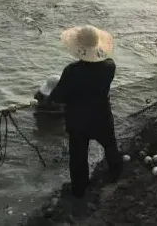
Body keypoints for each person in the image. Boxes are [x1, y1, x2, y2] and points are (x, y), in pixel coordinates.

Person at [48, 25, 122, 198]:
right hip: (102, 117)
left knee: (78, 158)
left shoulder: (71, 71)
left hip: (77, 121)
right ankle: (117, 173)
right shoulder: (110, 66)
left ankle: (79, 190)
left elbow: (58, 97)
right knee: (110, 146)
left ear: (79, 48)